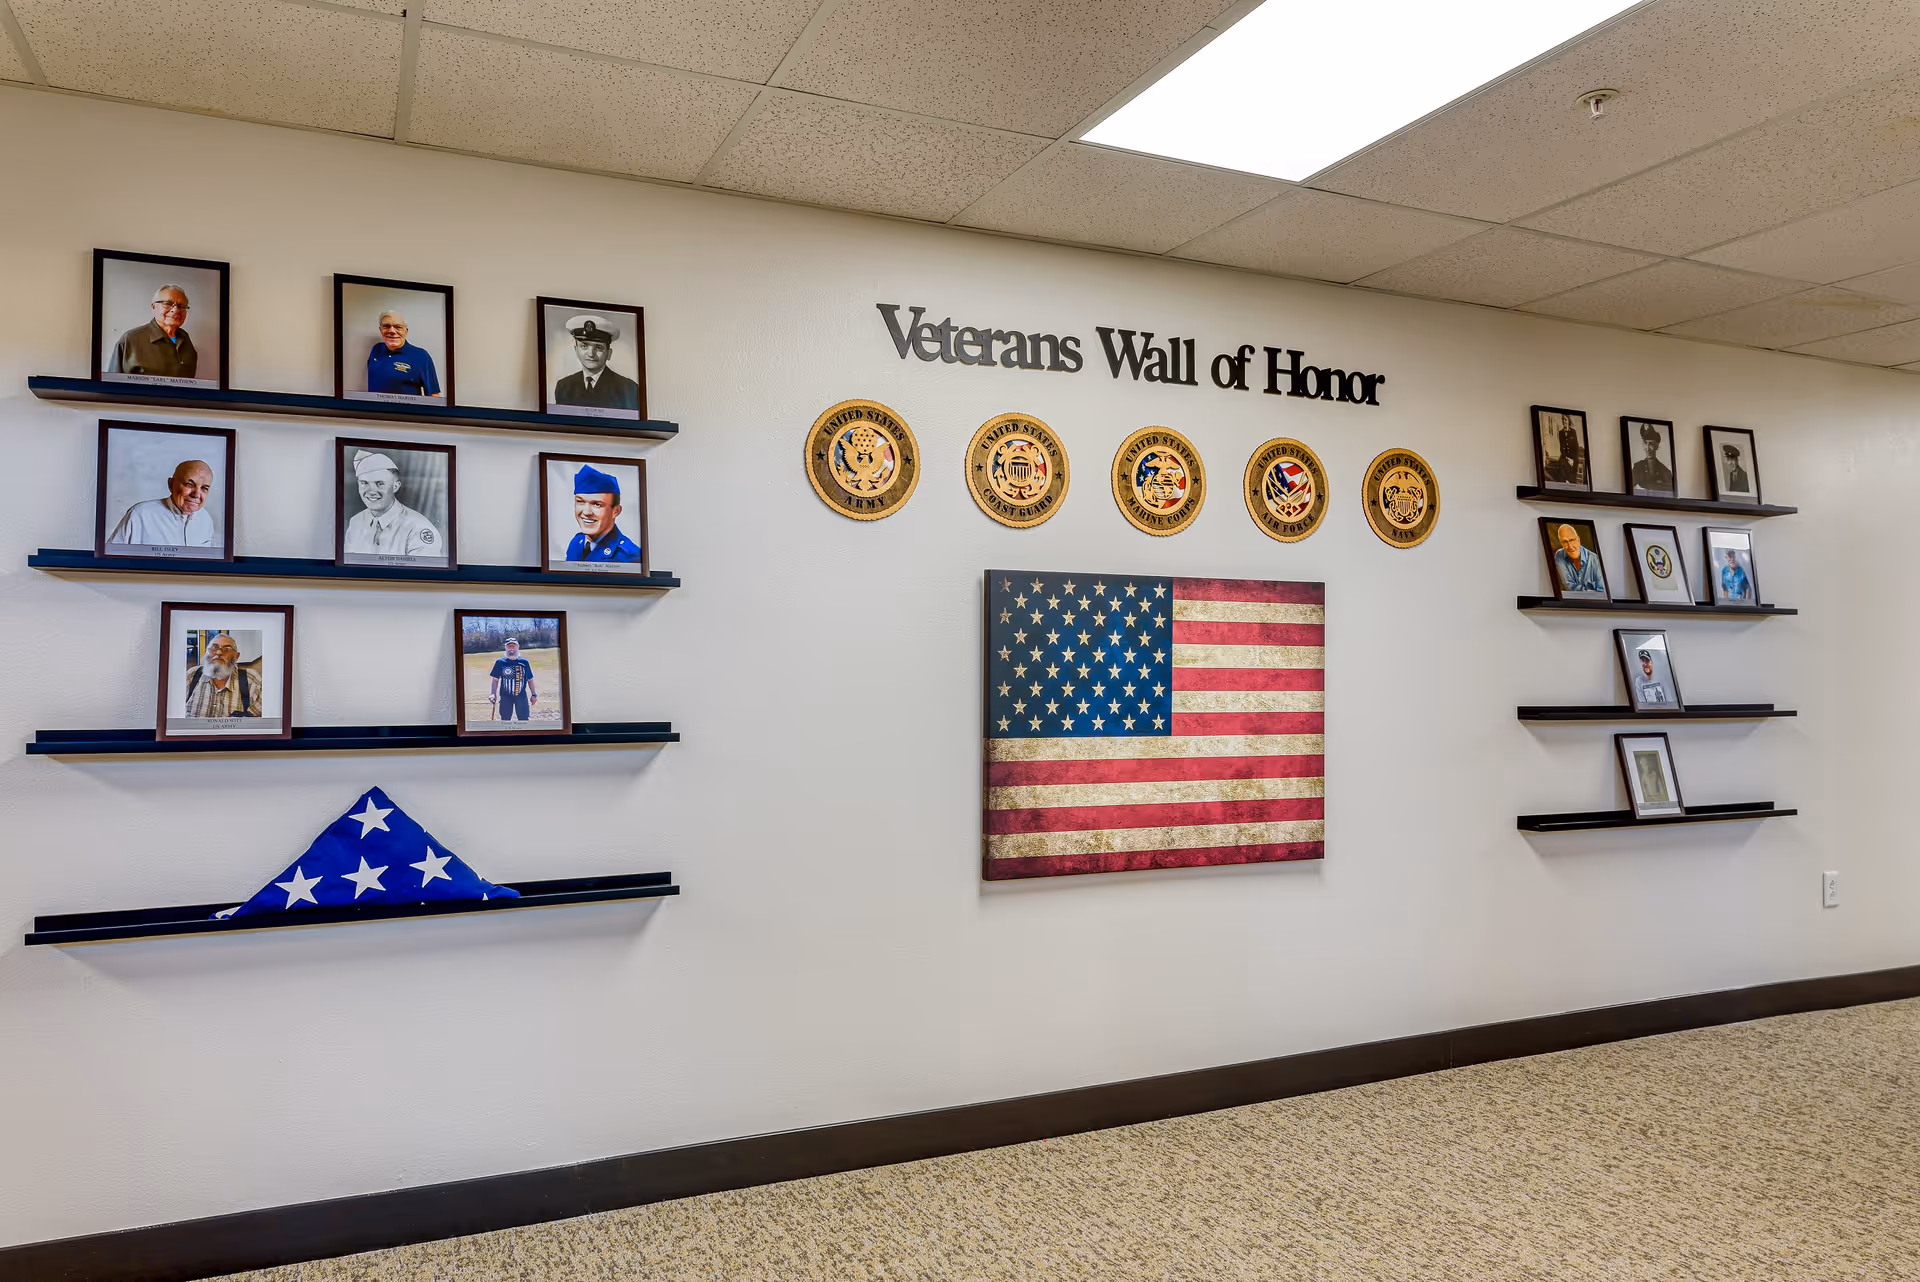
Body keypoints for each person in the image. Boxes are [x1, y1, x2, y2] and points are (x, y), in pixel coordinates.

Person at [341, 450, 444, 558]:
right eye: (364, 483)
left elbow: (423, 574)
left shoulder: (417, 527)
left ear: (395, 486)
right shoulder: (356, 522)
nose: (371, 491)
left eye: (379, 483)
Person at [106, 459, 216, 548]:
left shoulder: (206, 520)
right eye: (189, 484)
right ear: (171, 484)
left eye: (204, 488)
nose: (196, 494)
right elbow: (110, 561)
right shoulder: (140, 515)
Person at [108, 283, 200, 380]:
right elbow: (111, 384)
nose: (175, 310)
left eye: (181, 306)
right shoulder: (130, 339)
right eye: (168, 304)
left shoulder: (185, 339)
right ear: (153, 307)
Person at [553, 316, 639, 410]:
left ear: (609, 353)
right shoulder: (564, 387)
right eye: (584, 346)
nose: (591, 354)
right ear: (576, 350)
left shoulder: (628, 389)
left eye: (598, 348)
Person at [565, 464, 642, 562]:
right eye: (580, 502)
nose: (586, 512)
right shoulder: (576, 543)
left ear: (616, 511)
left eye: (597, 504)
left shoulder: (630, 557)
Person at [365, 311, 441, 397]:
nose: (392, 331)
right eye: (386, 326)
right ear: (380, 330)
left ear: (406, 331)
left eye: (398, 327)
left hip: (406, 410)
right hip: (374, 409)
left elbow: (433, 395)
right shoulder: (376, 349)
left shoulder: (421, 356)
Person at [184, 633, 260, 718]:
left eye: (227, 649)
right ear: (206, 652)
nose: (219, 652)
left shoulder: (252, 679)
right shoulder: (191, 675)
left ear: (237, 656)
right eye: (214, 647)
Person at [488, 638, 537, 722]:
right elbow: (495, 680)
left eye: (513, 646)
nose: (511, 648)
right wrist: (493, 694)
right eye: (509, 646)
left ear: (518, 647)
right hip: (505, 696)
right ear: (505, 648)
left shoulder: (524, 662)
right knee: (505, 720)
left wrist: (534, 694)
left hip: (521, 696)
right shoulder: (500, 662)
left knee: (524, 721)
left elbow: (530, 680)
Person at [1552, 523, 1606, 595]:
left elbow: (1602, 593)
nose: (1570, 546)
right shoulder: (1559, 555)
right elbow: (1568, 585)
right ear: (1561, 543)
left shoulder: (1595, 559)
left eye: (1572, 540)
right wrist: (1590, 591)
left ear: (1578, 540)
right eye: (1565, 542)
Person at [1630, 422, 1673, 494]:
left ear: (1657, 446)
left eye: (1651, 444)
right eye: (1645, 443)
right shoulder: (1637, 468)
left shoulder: (1665, 472)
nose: (1648, 448)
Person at [1543, 417, 1585, 485]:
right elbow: (1562, 448)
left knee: (1571, 477)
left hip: (1573, 459)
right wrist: (1567, 458)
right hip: (1564, 458)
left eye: (1565, 419)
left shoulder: (1573, 432)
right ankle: (1564, 483)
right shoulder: (1560, 433)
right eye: (1562, 420)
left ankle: (1568, 483)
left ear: (1569, 421)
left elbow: (1576, 447)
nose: (1564, 421)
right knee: (1559, 468)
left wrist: (1574, 460)